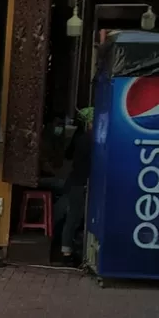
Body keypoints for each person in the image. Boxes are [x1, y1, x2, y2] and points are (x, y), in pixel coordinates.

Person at [59, 107, 93, 264]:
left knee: (73, 217)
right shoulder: (90, 139)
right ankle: (67, 253)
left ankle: (68, 251)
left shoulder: (81, 137)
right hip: (80, 183)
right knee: (74, 217)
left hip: (76, 181)